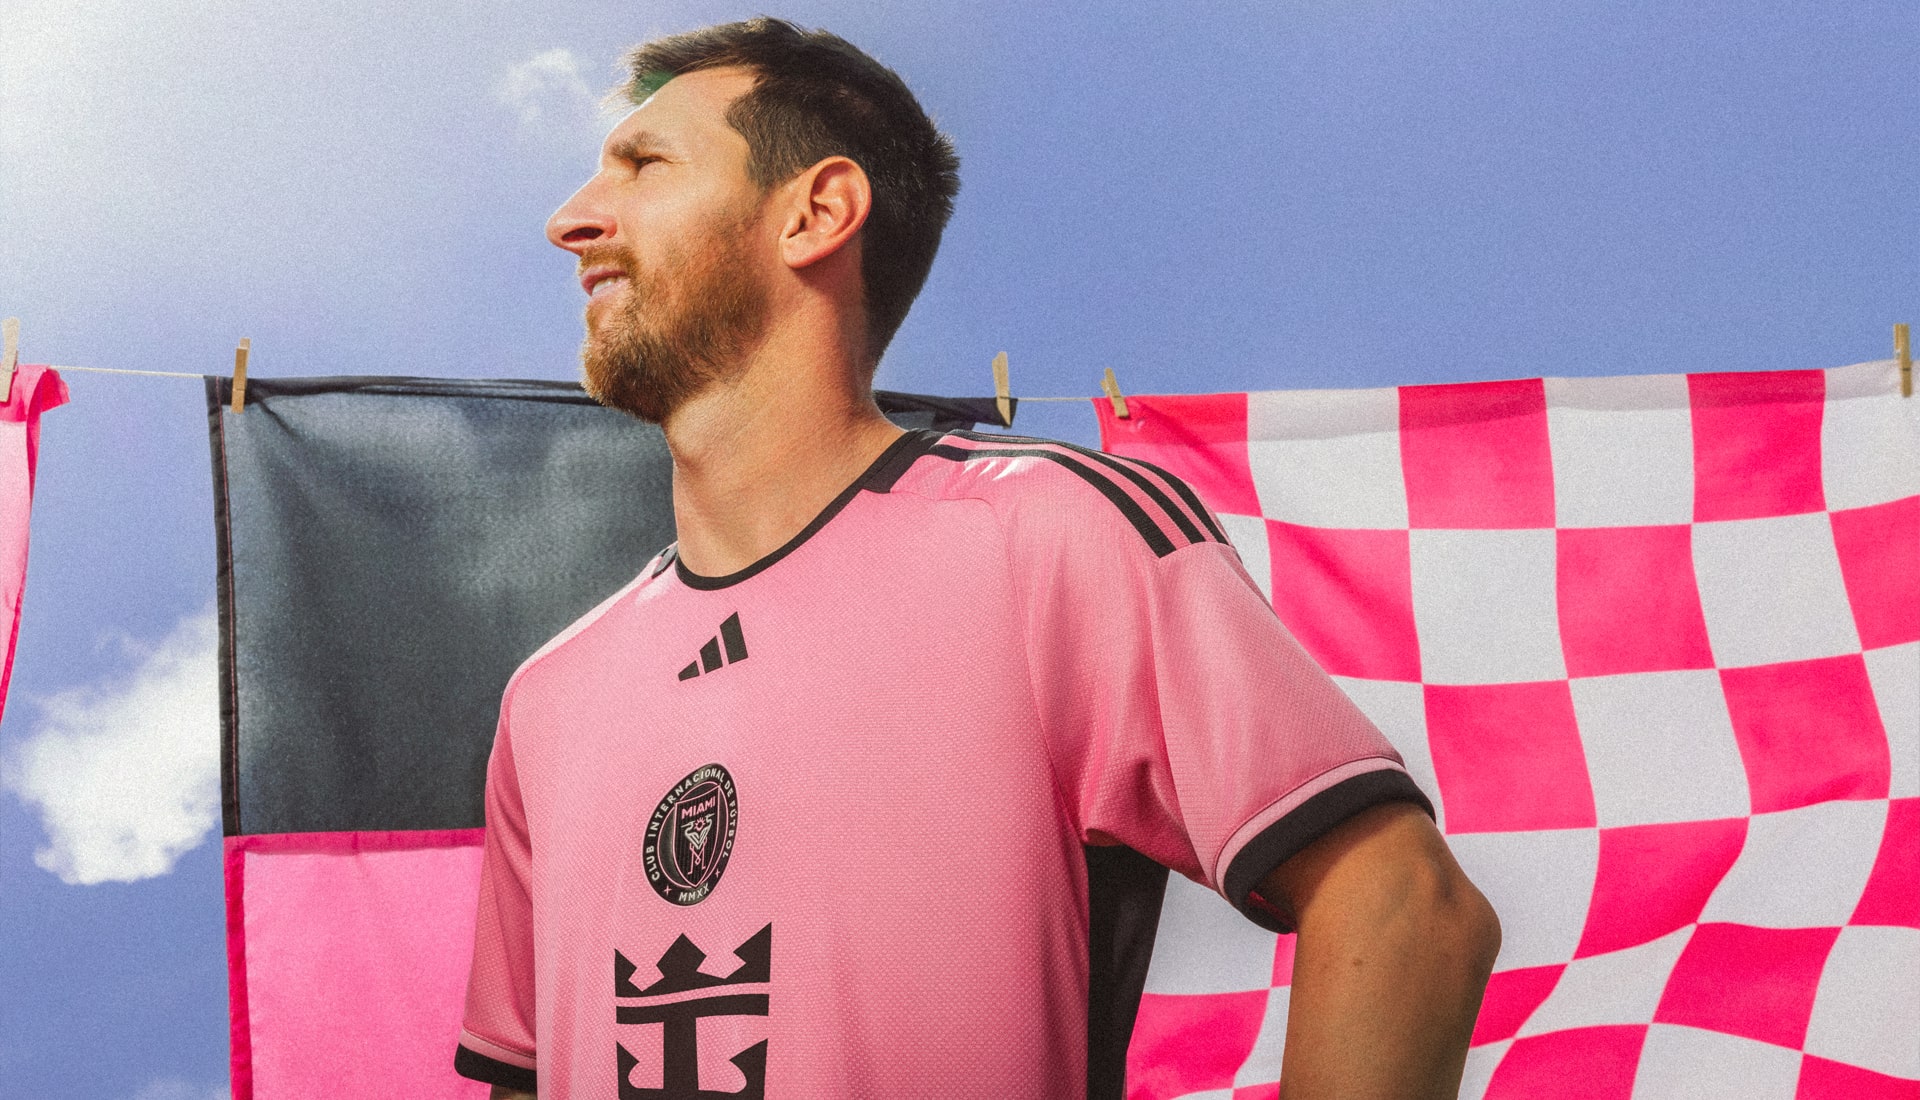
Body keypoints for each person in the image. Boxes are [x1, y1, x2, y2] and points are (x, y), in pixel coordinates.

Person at [456, 17, 1500, 1099]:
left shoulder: (1045, 533)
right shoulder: (547, 697)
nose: (571, 220)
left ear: (816, 213)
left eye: (644, 164)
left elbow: (1406, 908)